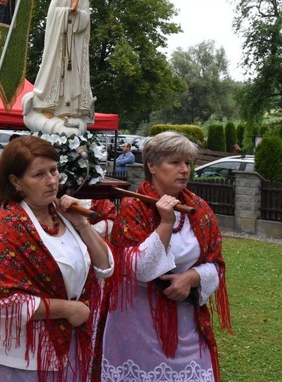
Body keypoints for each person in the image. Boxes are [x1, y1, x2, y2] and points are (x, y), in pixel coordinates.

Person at [0, 136, 113, 381]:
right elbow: (3, 301)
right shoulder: (9, 227)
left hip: (66, 346)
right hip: (24, 357)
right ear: (16, 182)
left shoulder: (62, 215)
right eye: (39, 175)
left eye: (54, 170)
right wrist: (69, 308)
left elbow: (105, 267)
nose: (52, 181)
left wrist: (82, 225)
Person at [99, 131, 232, 381]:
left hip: (186, 323)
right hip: (138, 324)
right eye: (175, 162)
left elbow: (216, 263)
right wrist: (166, 223)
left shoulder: (199, 209)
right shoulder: (134, 207)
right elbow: (140, 269)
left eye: (187, 163)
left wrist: (191, 278)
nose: (184, 170)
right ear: (152, 165)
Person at [23, 0, 94, 136]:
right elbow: (53, 17)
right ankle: (48, 106)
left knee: (73, 76)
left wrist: (78, 14)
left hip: (75, 47)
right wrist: (68, 11)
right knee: (56, 73)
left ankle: (69, 110)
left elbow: (85, 21)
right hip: (59, 44)